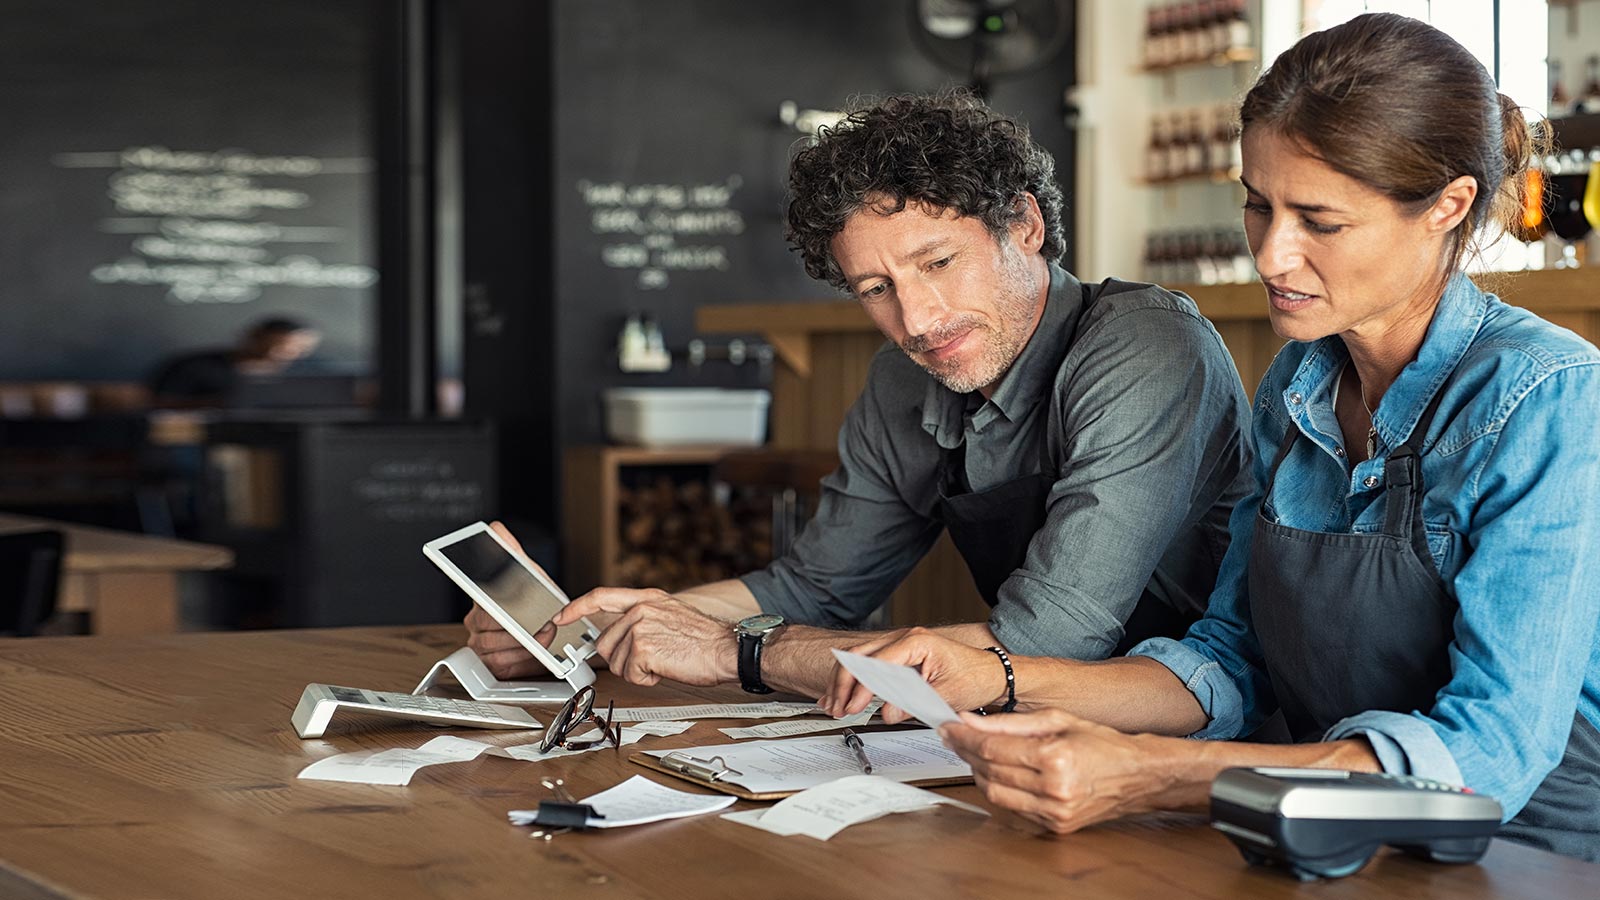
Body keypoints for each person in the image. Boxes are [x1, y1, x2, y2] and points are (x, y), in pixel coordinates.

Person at [823, 13, 1600, 861]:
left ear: (1447, 206)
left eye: (1319, 221)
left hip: (1530, 857)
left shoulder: (1548, 398)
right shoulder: (1297, 390)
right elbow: (1230, 661)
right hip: (1327, 838)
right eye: (1257, 206)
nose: (1271, 255)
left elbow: (1492, 755)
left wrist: (1154, 774)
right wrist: (999, 678)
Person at [468, 91, 1253, 700]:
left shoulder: (1146, 346)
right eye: (875, 287)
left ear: (1025, 225)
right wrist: (596, 626)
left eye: (939, 263)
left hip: (1204, 734)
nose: (915, 321)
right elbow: (817, 587)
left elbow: (1052, 639)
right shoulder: (904, 378)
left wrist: (735, 651)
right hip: (1029, 731)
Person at [147, 316, 322, 406]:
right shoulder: (194, 365)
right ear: (253, 337)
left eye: (298, 348)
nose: (284, 353)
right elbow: (159, 401)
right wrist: (220, 403)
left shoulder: (316, 370)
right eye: (277, 345)